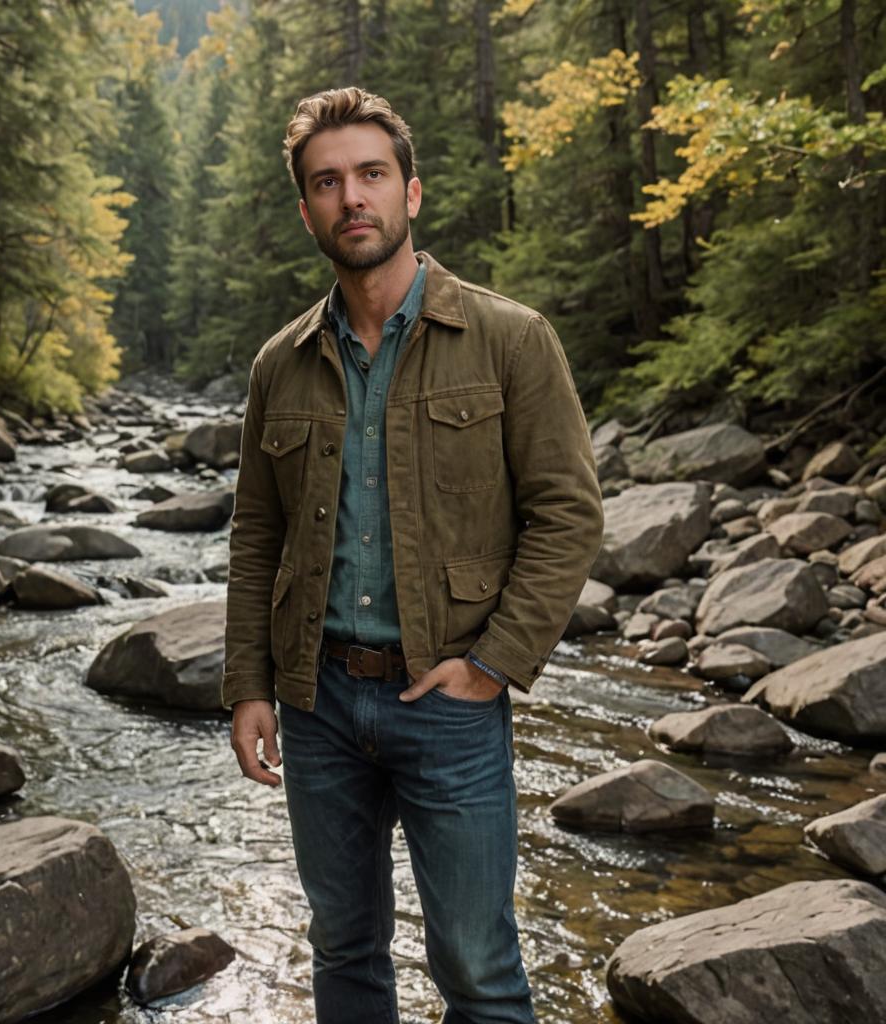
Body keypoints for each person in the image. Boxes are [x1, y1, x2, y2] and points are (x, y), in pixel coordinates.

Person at [223, 87, 603, 1024]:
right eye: (327, 182)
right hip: (315, 704)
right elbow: (256, 534)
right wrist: (248, 685)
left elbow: (568, 515)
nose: (352, 197)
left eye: (371, 175)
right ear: (307, 207)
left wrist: (492, 665)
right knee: (342, 951)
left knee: (477, 966)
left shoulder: (510, 340)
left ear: (412, 195)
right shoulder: (282, 363)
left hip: (449, 703)